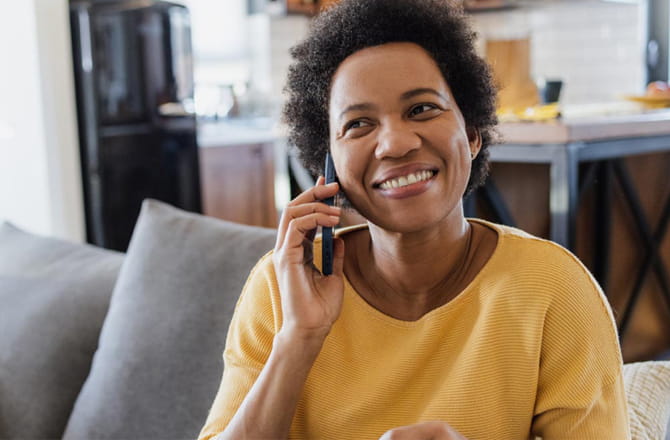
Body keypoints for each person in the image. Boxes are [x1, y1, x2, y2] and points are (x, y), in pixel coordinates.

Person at [198, 0, 631, 438]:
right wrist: (299, 337)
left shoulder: (553, 289)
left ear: (473, 133)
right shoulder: (280, 287)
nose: (396, 144)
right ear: (327, 168)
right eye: (359, 124)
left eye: (422, 109)